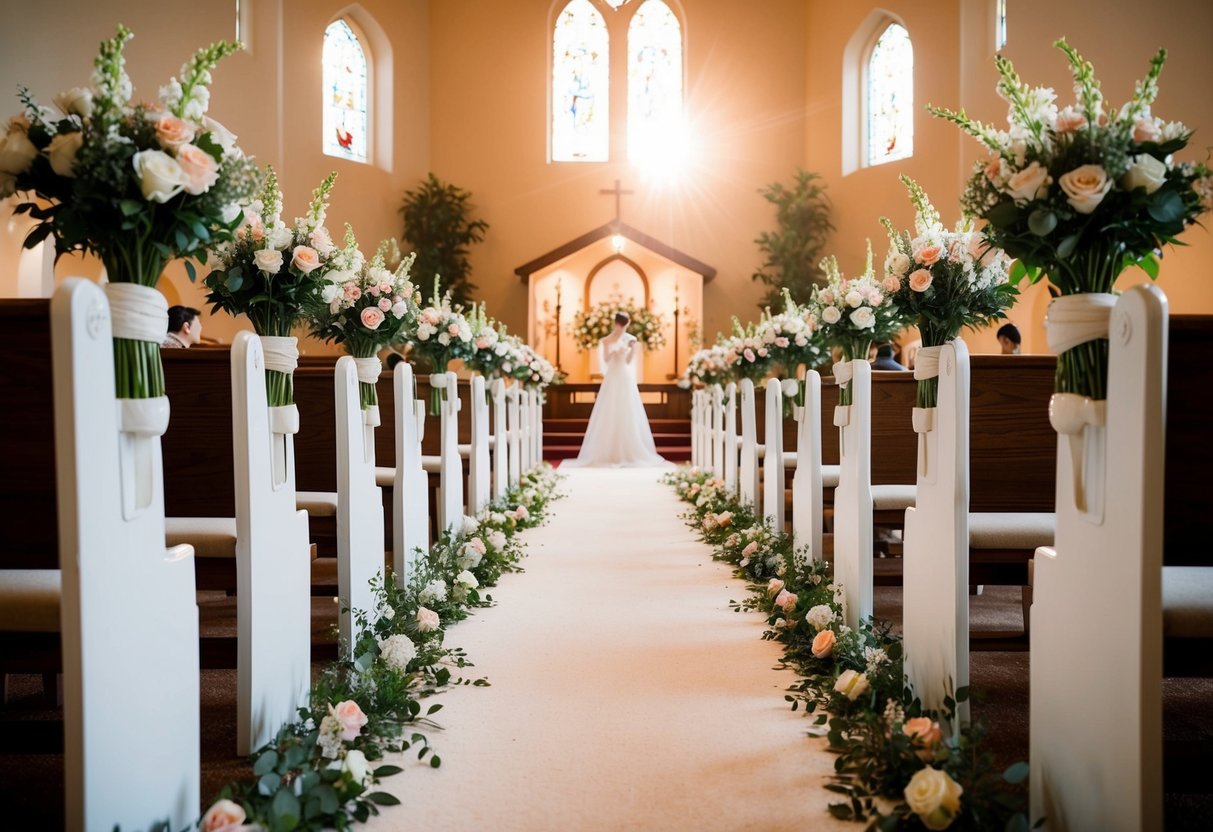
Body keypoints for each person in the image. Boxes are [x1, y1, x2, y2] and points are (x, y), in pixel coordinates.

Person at [564, 312, 668, 468]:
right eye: (621, 324)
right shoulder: (606, 340)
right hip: (612, 376)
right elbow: (605, 360)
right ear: (617, 324)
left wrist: (631, 349)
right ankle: (606, 451)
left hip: (625, 376)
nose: (622, 327)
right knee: (610, 409)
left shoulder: (630, 338)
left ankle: (629, 450)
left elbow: (628, 361)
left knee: (627, 410)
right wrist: (614, 351)